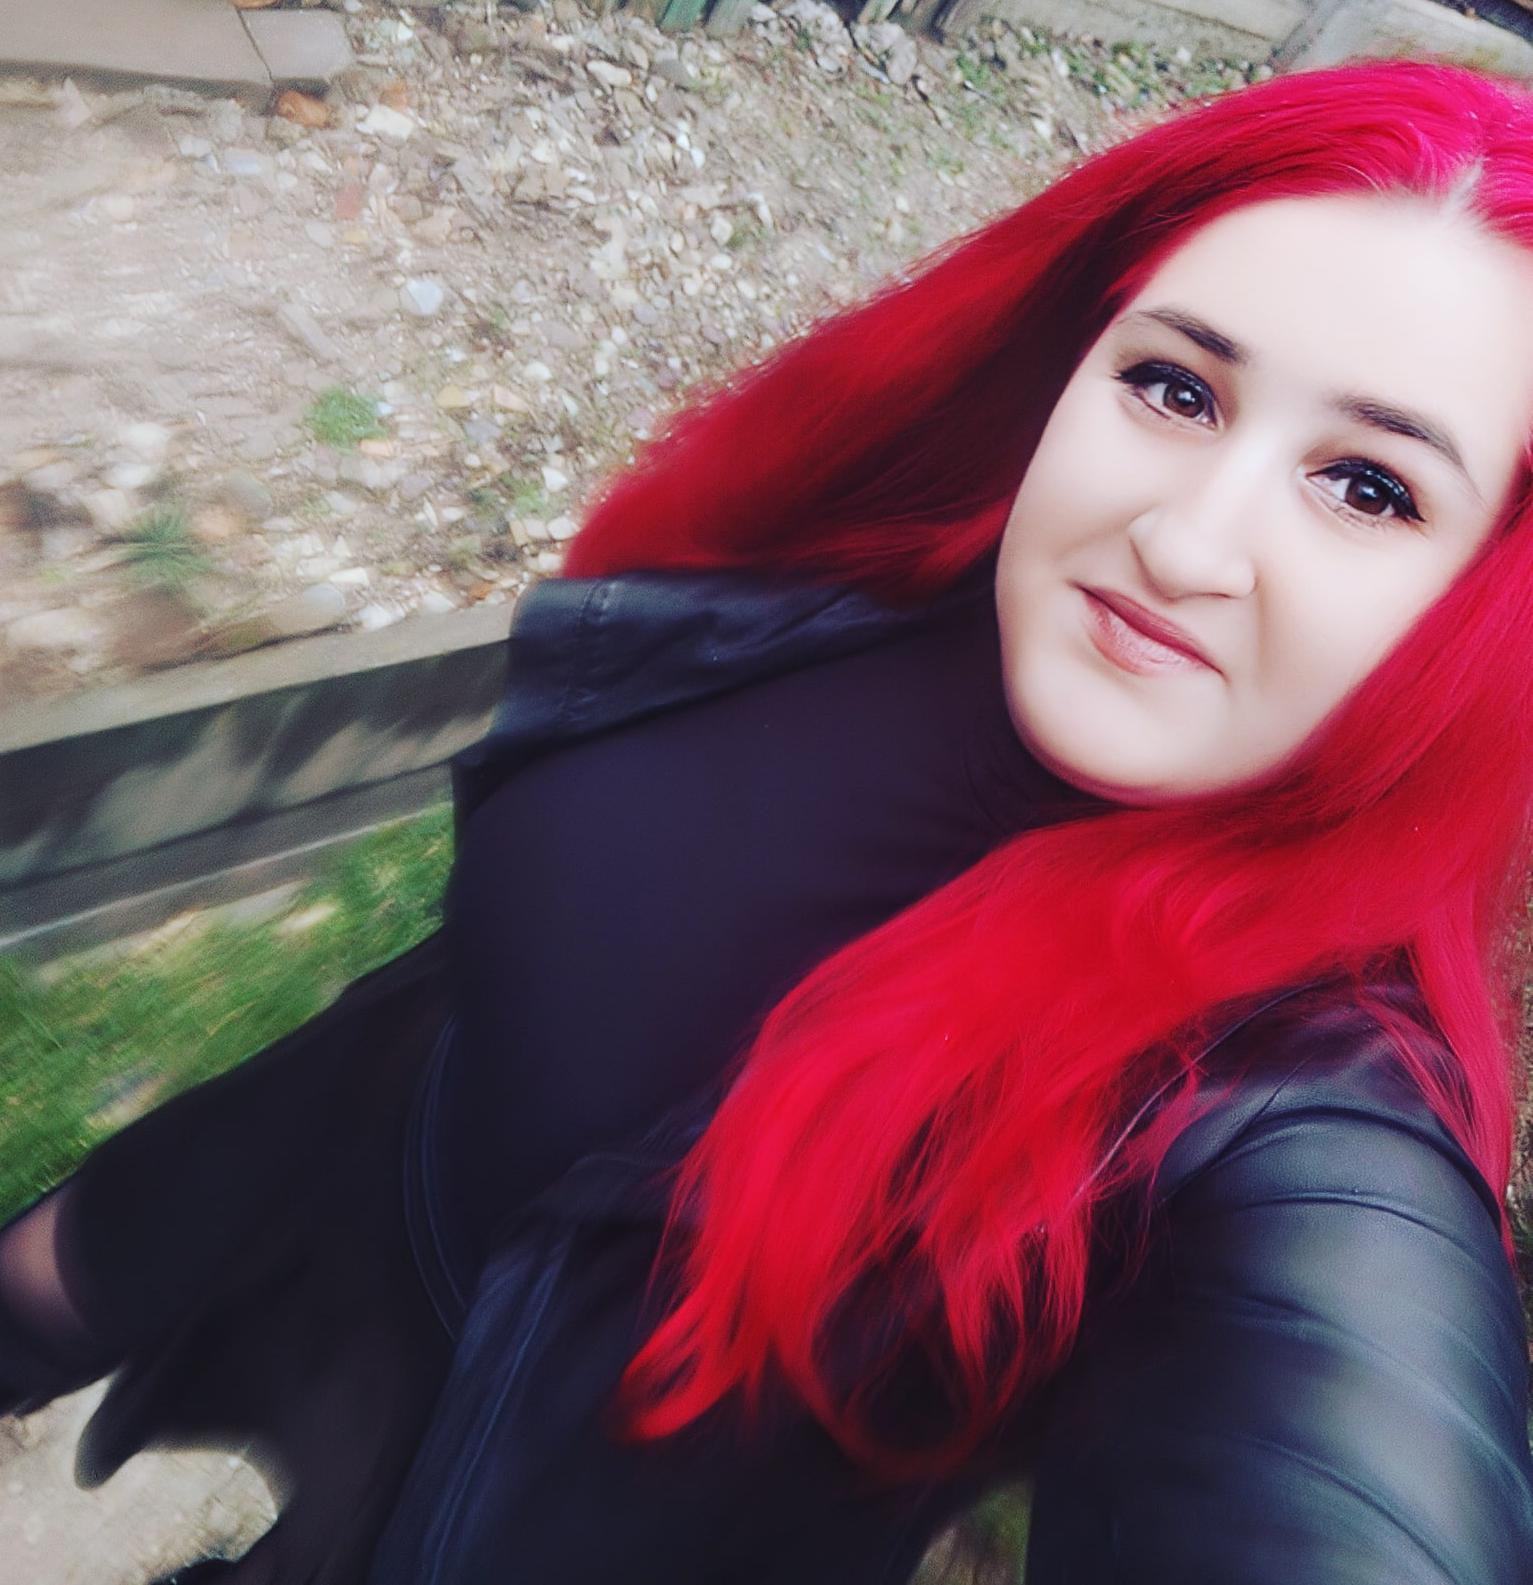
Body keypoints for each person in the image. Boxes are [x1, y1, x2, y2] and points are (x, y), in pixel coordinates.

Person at [3, 54, 1533, 1584]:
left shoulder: (1291, 1108)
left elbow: (1339, 1452)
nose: (1184, 542)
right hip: (326, 1157)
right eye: (1174, 387)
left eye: (1367, 487)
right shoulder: (895, 578)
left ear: (1489, 602)